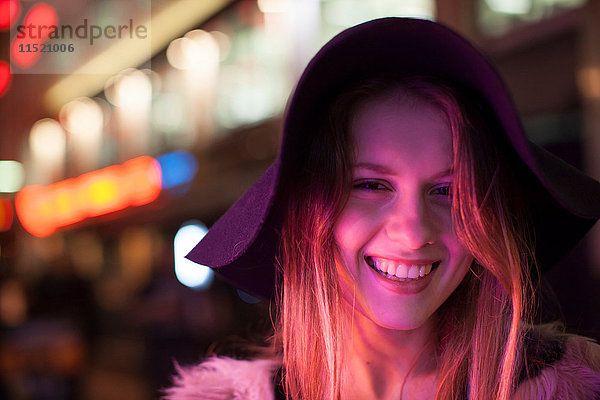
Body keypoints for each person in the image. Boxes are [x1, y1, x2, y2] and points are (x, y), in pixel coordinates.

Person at [164, 18, 600, 399]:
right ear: (310, 213)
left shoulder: (580, 385)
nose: (413, 232)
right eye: (371, 185)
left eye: (448, 191)